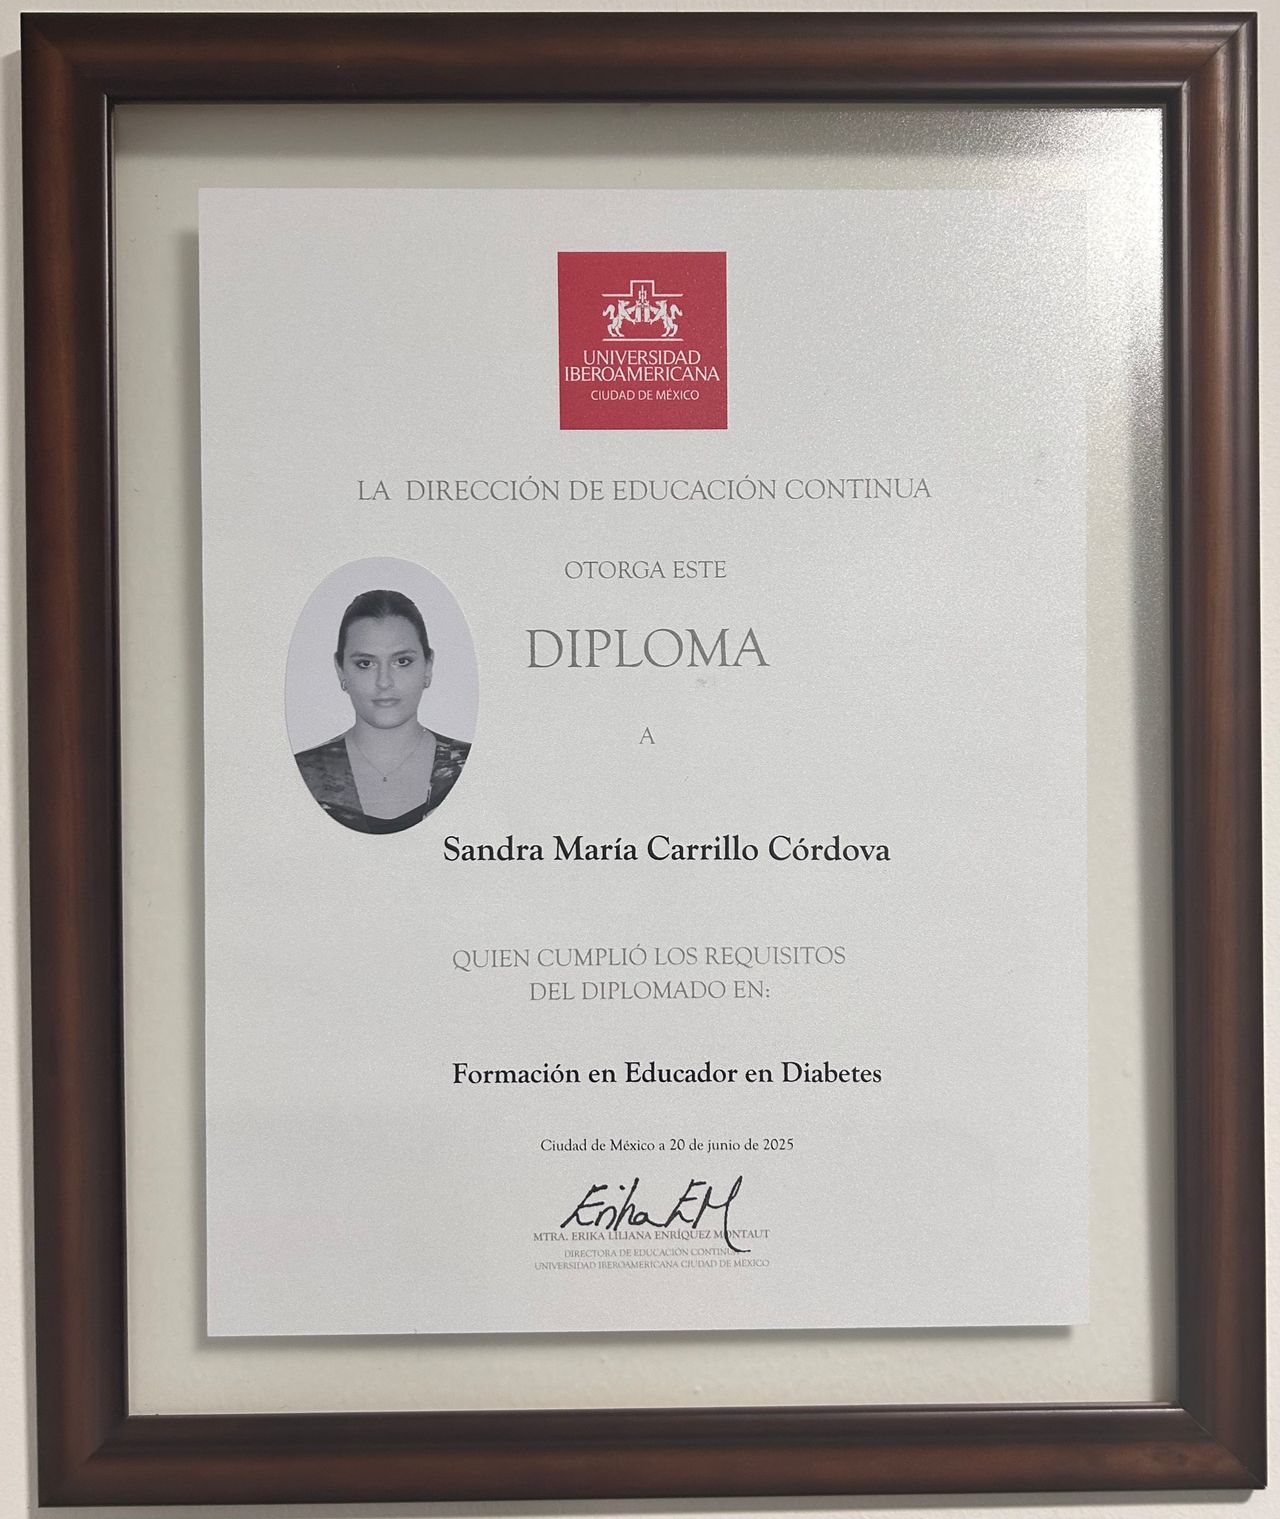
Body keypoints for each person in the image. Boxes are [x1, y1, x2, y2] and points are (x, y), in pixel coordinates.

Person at [294, 588, 470, 834]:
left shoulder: (474, 766)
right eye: (365, 664)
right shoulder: (299, 774)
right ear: (341, 670)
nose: (384, 681)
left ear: (428, 667)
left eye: (402, 661)